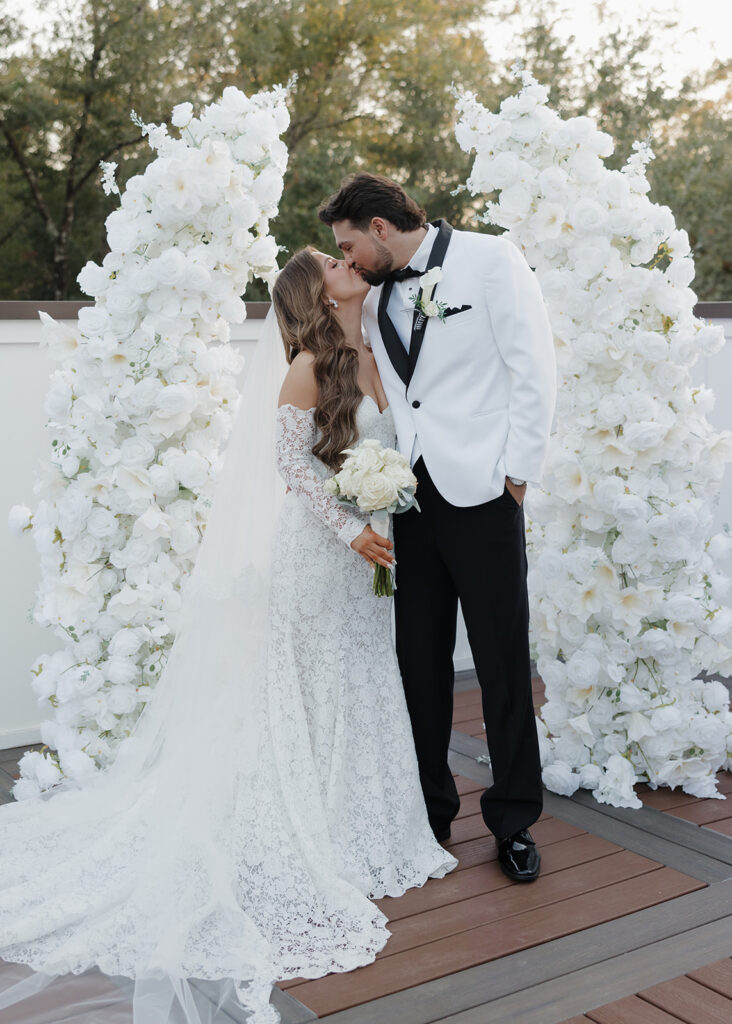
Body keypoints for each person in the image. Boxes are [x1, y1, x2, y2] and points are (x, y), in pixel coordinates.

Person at [0, 248, 456, 1024]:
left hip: (371, 550)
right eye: (332, 262)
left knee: (360, 676)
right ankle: (311, 834)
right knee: (310, 682)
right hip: (319, 554)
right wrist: (351, 528)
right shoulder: (307, 366)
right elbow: (292, 465)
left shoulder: (375, 347)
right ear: (316, 292)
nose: (348, 263)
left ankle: (364, 825)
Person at [319, 173, 557, 883]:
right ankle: (430, 813)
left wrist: (517, 477)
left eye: (349, 244)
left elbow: (534, 369)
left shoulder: (492, 261)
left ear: (381, 227)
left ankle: (514, 820)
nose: (348, 259)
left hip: (484, 493)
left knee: (501, 664)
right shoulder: (376, 294)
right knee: (418, 665)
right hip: (409, 500)